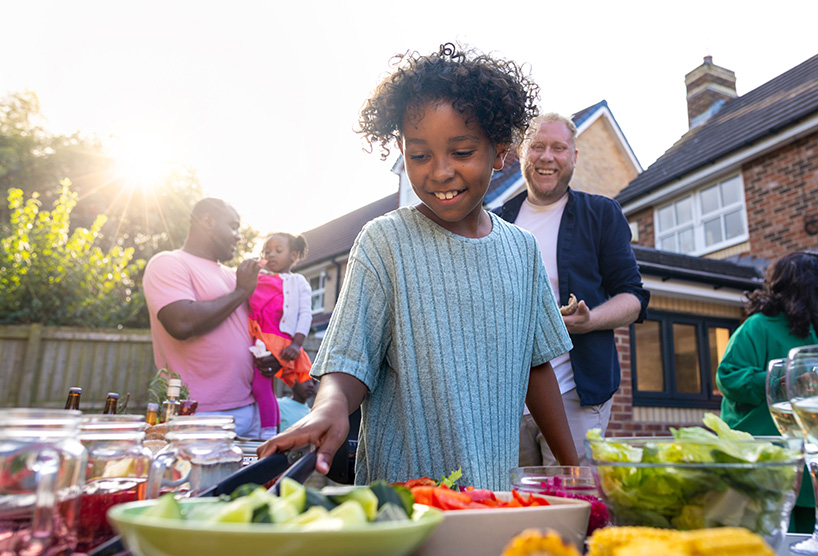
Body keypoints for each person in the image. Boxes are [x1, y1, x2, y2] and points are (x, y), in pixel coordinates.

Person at [259, 42, 578, 491]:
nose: (439, 172)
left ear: (501, 152)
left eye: (462, 152)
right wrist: (329, 406)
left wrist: (572, 467)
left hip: (495, 498)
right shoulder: (383, 241)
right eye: (420, 155)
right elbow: (351, 359)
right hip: (402, 502)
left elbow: (536, 366)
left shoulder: (522, 251)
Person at [494, 113, 649, 466]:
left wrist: (589, 319)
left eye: (558, 148)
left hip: (575, 395)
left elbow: (633, 297)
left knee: (573, 505)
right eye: (537, 146)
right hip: (505, 402)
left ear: (574, 156)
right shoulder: (494, 222)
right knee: (516, 506)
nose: (547, 156)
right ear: (522, 154)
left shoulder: (602, 214)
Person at [715, 251, 818, 534]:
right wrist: (786, 377)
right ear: (809, 285)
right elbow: (729, 377)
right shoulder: (757, 327)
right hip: (771, 459)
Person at [143, 198, 263, 437]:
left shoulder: (233, 276)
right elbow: (181, 322)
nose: (238, 235)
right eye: (233, 226)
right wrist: (241, 292)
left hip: (250, 411)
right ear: (207, 221)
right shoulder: (169, 263)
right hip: (197, 414)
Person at [248, 233, 314, 439]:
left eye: (278, 250)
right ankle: (272, 428)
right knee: (257, 385)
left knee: (261, 385)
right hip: (257, 337)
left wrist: (297, 343)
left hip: (279, 340)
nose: (271, 255)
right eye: (268, 251)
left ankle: (267, 433)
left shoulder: (298, 281)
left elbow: (305, 313)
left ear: (293, 255)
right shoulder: (260, 278)